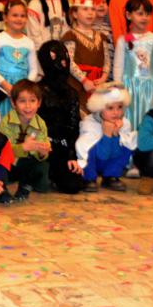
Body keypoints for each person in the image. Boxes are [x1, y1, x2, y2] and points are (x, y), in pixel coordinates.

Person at [36, 41, 86, 194]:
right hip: (41, 147)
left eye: (64, 60)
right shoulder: (37, 90)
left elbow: (73, 127)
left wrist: (71, 156)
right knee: (41, 181)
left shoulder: (72, 93)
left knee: (74, 185)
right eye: (54, 59)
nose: (61, 64)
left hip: (62, 147)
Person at [113, 0, 153, 134]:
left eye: (148, 14)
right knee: (130, 122)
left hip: (151, 88)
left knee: (151, 121)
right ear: (128, 15)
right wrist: (119, 89)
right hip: (130, 89)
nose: (144, 18)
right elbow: (118, 67)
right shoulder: (123, 40)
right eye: (140, 13)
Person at [0, 80, 52, 201]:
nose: (28, 106)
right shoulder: (6, 121)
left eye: (32, 101)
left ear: (39, 103)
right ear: (13, 103)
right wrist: (23, 147)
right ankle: (1, 188)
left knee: (42, 173)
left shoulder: (40, 124)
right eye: (22, 101)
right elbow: (2, 150)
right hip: (9, 162)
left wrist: (42, 152)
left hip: (25, 163)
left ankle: (26, 185)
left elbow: (41, 150)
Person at [0, 0, 41, 117]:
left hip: (22, 88)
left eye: (22, 16)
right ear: (5, 17)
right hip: (1, 87)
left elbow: (33, 70)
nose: (19, 19)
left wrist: (25, 87)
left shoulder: (29, 43)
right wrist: (4, 84)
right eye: (15, 15)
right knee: (1, 116)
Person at [75, 86, 136, 193]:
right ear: (99, 109)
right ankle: (89, 178)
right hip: (95, 161)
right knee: (87, 146)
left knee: (129, 143)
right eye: (110, 108)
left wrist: (115, 135)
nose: (116, 112)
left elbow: (116, 153)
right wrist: (107, 135)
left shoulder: (124, 123)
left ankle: (111, 176)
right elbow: (102, 155)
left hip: (110, 159)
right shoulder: (89, 123)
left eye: (119, 107)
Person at [62, 0, 110, 95]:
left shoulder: (101, 36)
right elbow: (69, 62)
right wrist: (84, 81)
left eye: (93, 9)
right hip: (78, 85)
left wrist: (103, 78)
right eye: (85, 9)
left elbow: (107, 61)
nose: (90, 13)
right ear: (75, 14)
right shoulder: (70, 36)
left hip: (98, 84)